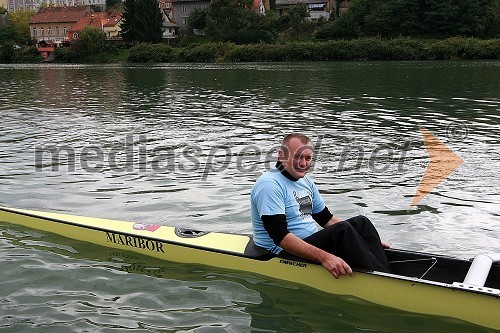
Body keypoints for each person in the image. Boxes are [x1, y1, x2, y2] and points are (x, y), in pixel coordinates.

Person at [250, 133, 392, 279]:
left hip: (308, 242)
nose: (303, 163)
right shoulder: (269, 185)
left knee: (361, 224)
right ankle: (384, 280)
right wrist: (325, 258)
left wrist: (366, 240)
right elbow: (281, 238)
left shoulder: (306, 181)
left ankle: (386, 274)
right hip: (280, 251)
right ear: (281, 155)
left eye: (308, 158)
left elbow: (326, 219)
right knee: (343, 231)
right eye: (298, 157)